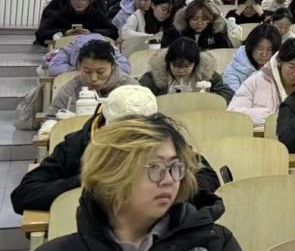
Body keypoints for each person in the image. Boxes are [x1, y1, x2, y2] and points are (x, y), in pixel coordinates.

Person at [11, 114, 252, 251]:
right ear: (112, 173)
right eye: (155, 168)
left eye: (175, 167)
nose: (169, 180)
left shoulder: (216, 245)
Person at [14, 85, 221, 214]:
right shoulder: (78, 144)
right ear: (106, 122)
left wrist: (172, 185)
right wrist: (93, 182)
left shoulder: (167, 143)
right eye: (125, 134)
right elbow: (25, 194)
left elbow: (207, 177)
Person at [228, 37, 295, 125]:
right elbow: (232, 113)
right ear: (279, 62)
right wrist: (270, 116)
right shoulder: (255, 81)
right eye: (291, 67)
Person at [50, 38, 138, 114]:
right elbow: (52, 118)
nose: (94, 78)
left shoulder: (131, 89)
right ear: (79, 67)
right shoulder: (70, 90)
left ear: (113, 66)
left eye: (101, 72)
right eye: (87, 71)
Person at [139, 38, 233, 102]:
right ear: (168, 62)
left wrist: (209, 97)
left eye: (187, 66)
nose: (181, 70)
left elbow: (228, 94)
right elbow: (139, 97)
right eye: (176, 65)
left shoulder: (208, 75)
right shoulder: (153, 78)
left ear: (195, 64)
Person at [35, 0, 117, 46]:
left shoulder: (97, 15)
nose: (79, 2)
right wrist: (64, 32)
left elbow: (113, 32)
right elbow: (40, 33)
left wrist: (91, 33)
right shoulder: (61, 15)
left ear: (90, 0)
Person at [222, 24, 281, 92]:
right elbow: (235, 97)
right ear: (251, 47)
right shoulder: (232, 71)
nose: (264, 54)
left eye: (269, 50)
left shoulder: (278, 66)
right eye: (260, 48)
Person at [46, 33, 131, 78]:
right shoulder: (70, 49)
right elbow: (53, 69)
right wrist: (79, 69)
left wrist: (106, 69)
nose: (93, 77)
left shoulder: (110, 48)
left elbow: (126, 67)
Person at [161, 0, 232, 50]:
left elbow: (225, 53)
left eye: (204, 19)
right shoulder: (174, 33)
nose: (199, 23)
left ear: (210, 19)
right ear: (187, 18)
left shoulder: (217, 32)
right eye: (195, 19)